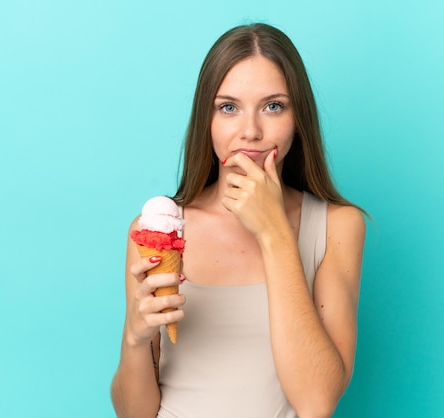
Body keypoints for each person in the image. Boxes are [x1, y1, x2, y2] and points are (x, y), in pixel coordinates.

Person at [111, 23, 365, 418]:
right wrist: (134, 338)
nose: (250, 131)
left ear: (298, 118)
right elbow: (133, 414)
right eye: (228, 107)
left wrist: (275, 233)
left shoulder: (338, 226)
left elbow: (317, 402)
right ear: (206, 120)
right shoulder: (155, 232)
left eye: (273, 105)